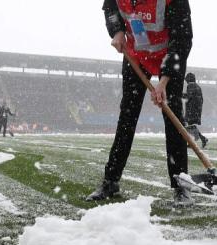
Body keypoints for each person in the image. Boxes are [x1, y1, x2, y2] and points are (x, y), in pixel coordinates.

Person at [86, 0, 194, 207]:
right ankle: (111, 181)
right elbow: (110, 8)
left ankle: (181, 185)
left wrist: (164, 81)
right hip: (136, 56)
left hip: (168, 56)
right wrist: (117, 31)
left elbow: (182, 38)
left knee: (173, 119)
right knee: (127, 117)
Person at [182, 72, 209, 148]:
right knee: (190, 126)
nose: (186, 81)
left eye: (186, 79)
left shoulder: (191, 85)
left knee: (186, 126)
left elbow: (188, 96)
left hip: (192, 109)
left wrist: (179, 94)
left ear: (188, 79)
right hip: (196, 109)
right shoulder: (197, 86)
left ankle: (193, 141)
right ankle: (202, 139)